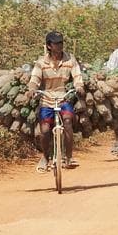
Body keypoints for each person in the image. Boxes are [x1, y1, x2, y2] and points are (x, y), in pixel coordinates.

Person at [25, 31, 85, 173]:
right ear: (49, 46)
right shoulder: (41, 62)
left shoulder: (70, 59)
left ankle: (69, 157)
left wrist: (79, 86)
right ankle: (46, 157)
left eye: (61, 43)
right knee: (45, 130)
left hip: (63, 98)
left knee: (68, 121)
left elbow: (77, 76)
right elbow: (35, 79)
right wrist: (32, 88)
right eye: (56, 43)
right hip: (46, 99)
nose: (60, 46)